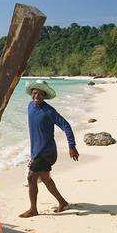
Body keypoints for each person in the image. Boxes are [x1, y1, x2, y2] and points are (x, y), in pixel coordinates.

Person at [20, 80, 79, 218]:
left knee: (31, 178)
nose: (37, 96)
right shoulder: (30, 106)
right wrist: (33, 155)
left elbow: (66, 125)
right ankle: (62, 202)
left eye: (41, 94)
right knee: (45, 179)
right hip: (38, 153)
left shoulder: (49, 111)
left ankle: (33, 209)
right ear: (31, 94)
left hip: (47, 153)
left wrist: (72, 145)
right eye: (35, 93)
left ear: (45, 96)